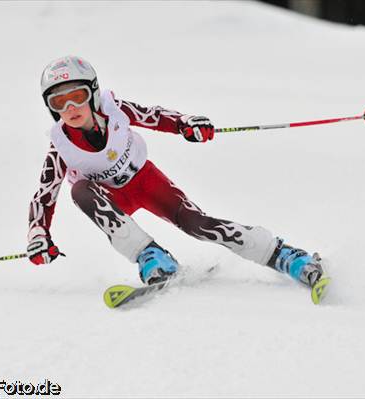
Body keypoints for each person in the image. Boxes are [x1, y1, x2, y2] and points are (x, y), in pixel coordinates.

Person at [26, 55, 329, 303]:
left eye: (77, 97)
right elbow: (44, 195)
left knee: (197, 224)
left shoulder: (115, 111)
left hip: (146, 182)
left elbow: (154, 116)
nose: (70, 108)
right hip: (111, 200)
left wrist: (186, 125)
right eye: (59, 102)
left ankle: (283, 255)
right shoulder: (60, 147)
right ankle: (152, 257)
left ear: (92, 92)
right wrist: (39, 234)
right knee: (80, 190)